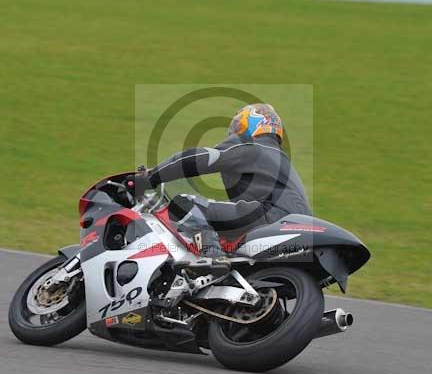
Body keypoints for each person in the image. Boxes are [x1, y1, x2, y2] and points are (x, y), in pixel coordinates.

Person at [127, 104, 311, 267]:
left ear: (254, 125)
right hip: (299, 224)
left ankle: (212, 256)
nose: (234, 131)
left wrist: (150, 177)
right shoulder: (280, 158)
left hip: (269, 215)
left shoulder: (248, 146)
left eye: (239, 125)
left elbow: (195, 159)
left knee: (185, 203)